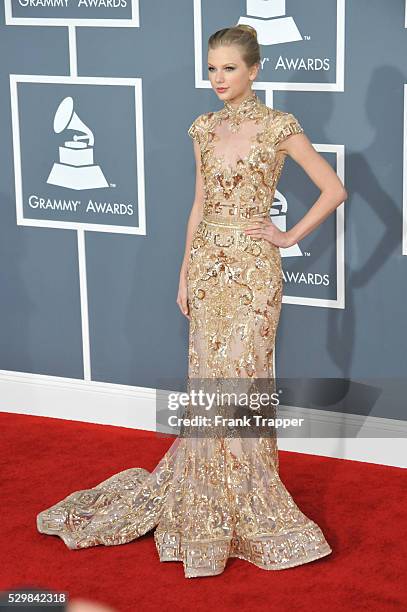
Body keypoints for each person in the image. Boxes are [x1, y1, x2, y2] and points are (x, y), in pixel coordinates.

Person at [36, 25, 347, 579]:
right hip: (207, 272)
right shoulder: (202, 128)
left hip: (253, 274)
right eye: (211, 68)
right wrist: (184, 273)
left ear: (254, 70)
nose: (218, 79)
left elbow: (334, 188)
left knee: (244, 382)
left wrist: (287, 235)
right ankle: (203, 494)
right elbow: (199, 204)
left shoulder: (279, 126)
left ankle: (246, 496)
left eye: (229, 68)